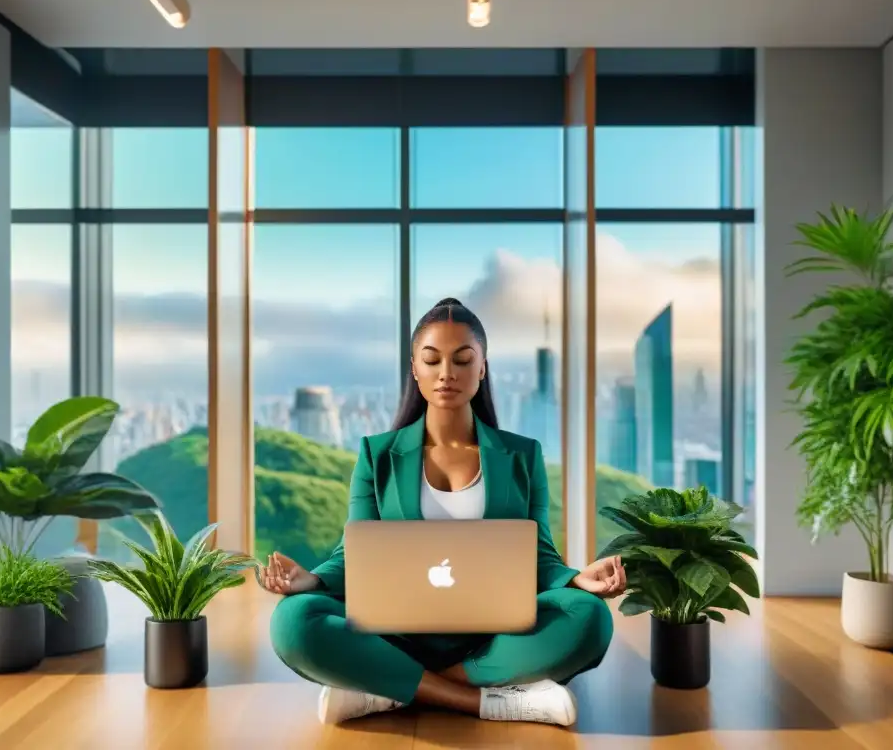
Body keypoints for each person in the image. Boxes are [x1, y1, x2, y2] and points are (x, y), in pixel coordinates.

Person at [260, 298, 624, 728]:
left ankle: (388, 690)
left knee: (589, 619)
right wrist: (312, 581)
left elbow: (538, 556)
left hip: (492, 635)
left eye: (463, 360)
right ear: (414, 368)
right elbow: (354, 552)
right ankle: (487, 701)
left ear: (483, 368)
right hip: (396, 631)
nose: (446, 373)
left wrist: (576, 579)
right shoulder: (377, 456)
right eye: (431, 360)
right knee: (292, 622)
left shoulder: (522, 456)